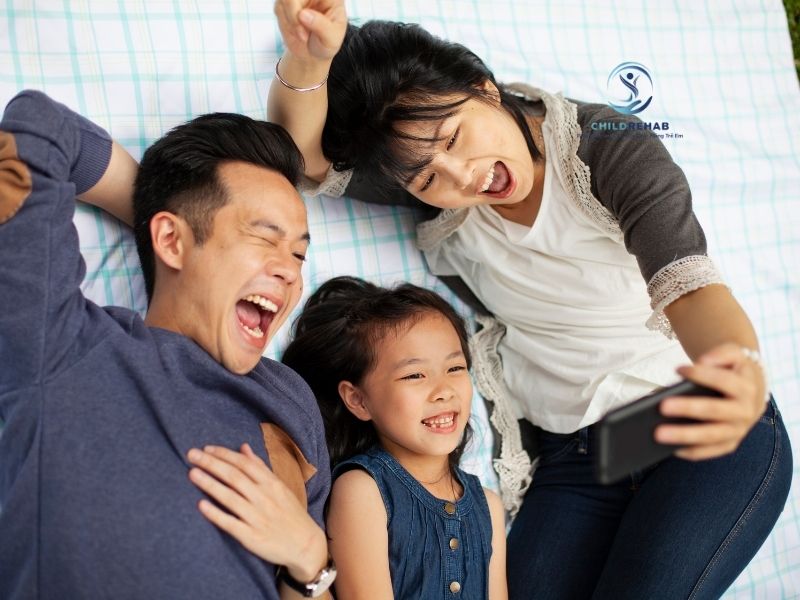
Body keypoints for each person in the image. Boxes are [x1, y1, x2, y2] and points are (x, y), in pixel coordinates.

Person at [266, 2, 793, 598]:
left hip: (694, 418)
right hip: (580, 461)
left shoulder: (608, 151)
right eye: (427, 179)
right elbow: (303, 157)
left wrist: (736, 368)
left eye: (455, 137)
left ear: (483, 87)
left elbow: (689, 290)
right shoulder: (430, 176)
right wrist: (309, 61)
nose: (462, 176)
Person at [0, 90, 336, 599]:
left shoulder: (290, 400)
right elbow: (38, 125)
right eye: (265, 238)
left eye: (298, 254)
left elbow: (307, 581)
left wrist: (309, 560)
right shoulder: (62, 342)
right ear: (172, 241)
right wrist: (149, 216)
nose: (290, 272)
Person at [277, 276, 505, 599]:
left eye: (455, 368)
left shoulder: (489, 507)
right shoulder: (363, 490)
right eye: (414, 375)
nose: (444, 390)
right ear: (358, 400)